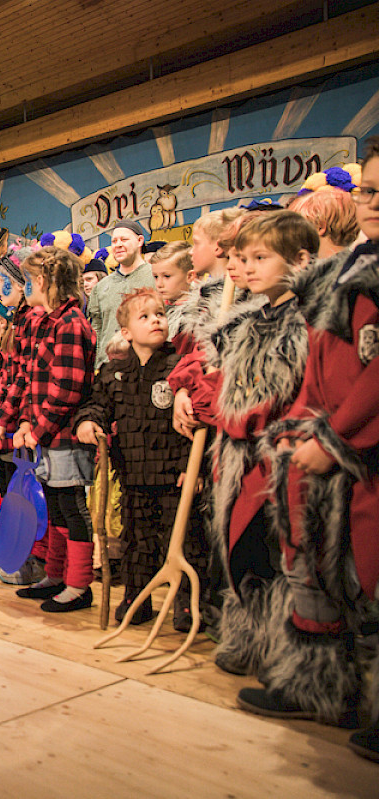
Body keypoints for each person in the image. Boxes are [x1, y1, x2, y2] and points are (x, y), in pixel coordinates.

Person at [238, 148, 379, 734]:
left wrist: (337, 436)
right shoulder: (347, 275)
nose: (371, 202)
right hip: (320, 445)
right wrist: (296, 430)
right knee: (314, 567)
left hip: (360, 449)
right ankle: (321, 686)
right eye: (368, 190)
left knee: (366, 578)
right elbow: (320, 373)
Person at [188, 211, 318, 684]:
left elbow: (294, 393)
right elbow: (222, 381)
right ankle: (249, 640)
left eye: (259, 258)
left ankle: (284, 653)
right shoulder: (246, 321)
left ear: (300, 260)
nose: (245, 268)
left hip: (277, 457)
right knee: (241, 551)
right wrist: (202, 396)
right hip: (237, 457)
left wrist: (240, 415)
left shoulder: (305, 321)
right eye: (241, 258)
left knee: (279, 554)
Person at [0, 247, 98, 614]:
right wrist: (22, 423)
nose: (26, 285)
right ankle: (57, 575)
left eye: (30, 279)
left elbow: (67, 389)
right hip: (46, 435)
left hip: (64, 436)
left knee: (72, 508)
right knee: (57, 508)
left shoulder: (71, 323)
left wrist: (38, 429)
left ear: (45, 281)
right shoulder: (45, 321)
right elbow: (29, 378)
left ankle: (79, 585)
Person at [75, 288, 191, 627]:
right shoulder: (114, 373)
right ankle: (136, 598)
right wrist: (88, 422)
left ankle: (186, 603)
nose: (156, 321)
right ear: (126, 332)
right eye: (145, 317)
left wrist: (192, 469)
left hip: (174, 475)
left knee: (184, 540)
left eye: (160, 315)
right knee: (137, 541)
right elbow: (97, 405)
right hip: (134, 475)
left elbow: (194, 424)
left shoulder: (178, 368)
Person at [88, 220, 154, 370]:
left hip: (147, 368)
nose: (118, 245)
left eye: (124, 239)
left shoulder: (156, 276)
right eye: (114, 241)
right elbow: (97, 331)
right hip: (108, 369)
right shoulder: (101, 287)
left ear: (140, 241)